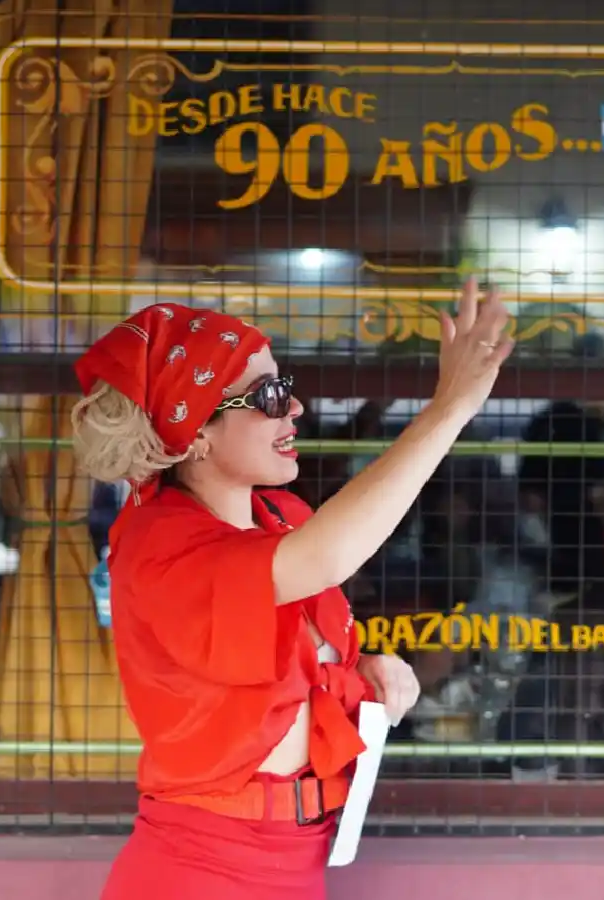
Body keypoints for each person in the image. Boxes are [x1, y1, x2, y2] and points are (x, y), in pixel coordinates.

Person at [73, 278, 514, 900]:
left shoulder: (281, 520)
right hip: (201, 869)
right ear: (193, 431)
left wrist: (369, 670)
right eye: (268, 395)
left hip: (295, 859)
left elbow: (284, 667)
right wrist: (449, 407)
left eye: (286, 388)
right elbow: (330, 557)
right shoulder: (157, 542)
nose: (294, 408)